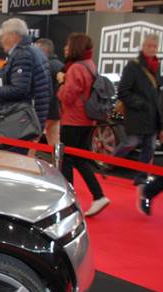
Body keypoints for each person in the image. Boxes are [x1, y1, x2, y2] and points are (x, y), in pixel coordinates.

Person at [57, 33, 110, 217]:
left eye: (68, 45)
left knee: (67, 160)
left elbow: (67, 97)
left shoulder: (75, 68)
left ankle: (70, 200)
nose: (65, 48)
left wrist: (61, 82)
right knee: (79, 159)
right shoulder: (90, 65)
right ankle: (97, 195)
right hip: (87, 120)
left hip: (73, 120)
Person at [0, 18, 51, 150]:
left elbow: (19, 89)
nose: (1, 41)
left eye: (3, 36)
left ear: (12, 36)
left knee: (12, 159)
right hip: (29, 119)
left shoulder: (22, 55)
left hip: (18, 122)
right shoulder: (35, 51)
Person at [114, 33, 163, 185]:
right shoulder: (132, 66)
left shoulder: (156, 66)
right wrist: (140, 103)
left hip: (153, 116)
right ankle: (110, 161)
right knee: (131, 142)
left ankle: (141, 178)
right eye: (149, 46)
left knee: (149, 148)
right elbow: (123, 91)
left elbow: (157, 92)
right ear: (143, 46)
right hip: (137, 115)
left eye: (155, 46)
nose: (152, 49)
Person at [36, 38, 64, 147]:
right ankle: (57, 159)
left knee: (32, 143)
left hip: (42, 111)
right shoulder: (61, 66)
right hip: (56, 112)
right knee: (55, 142)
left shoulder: (42, 66)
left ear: (42, 50)